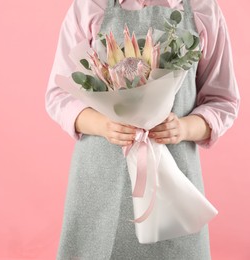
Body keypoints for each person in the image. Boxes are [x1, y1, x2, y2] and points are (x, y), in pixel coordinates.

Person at [45, 0, 240, 259]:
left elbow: (223, 100)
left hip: (174, 179)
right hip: (99, 180)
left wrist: (183, 128)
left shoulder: (204, 10)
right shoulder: (90, 6)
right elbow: (59, 95)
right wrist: (103, 125)